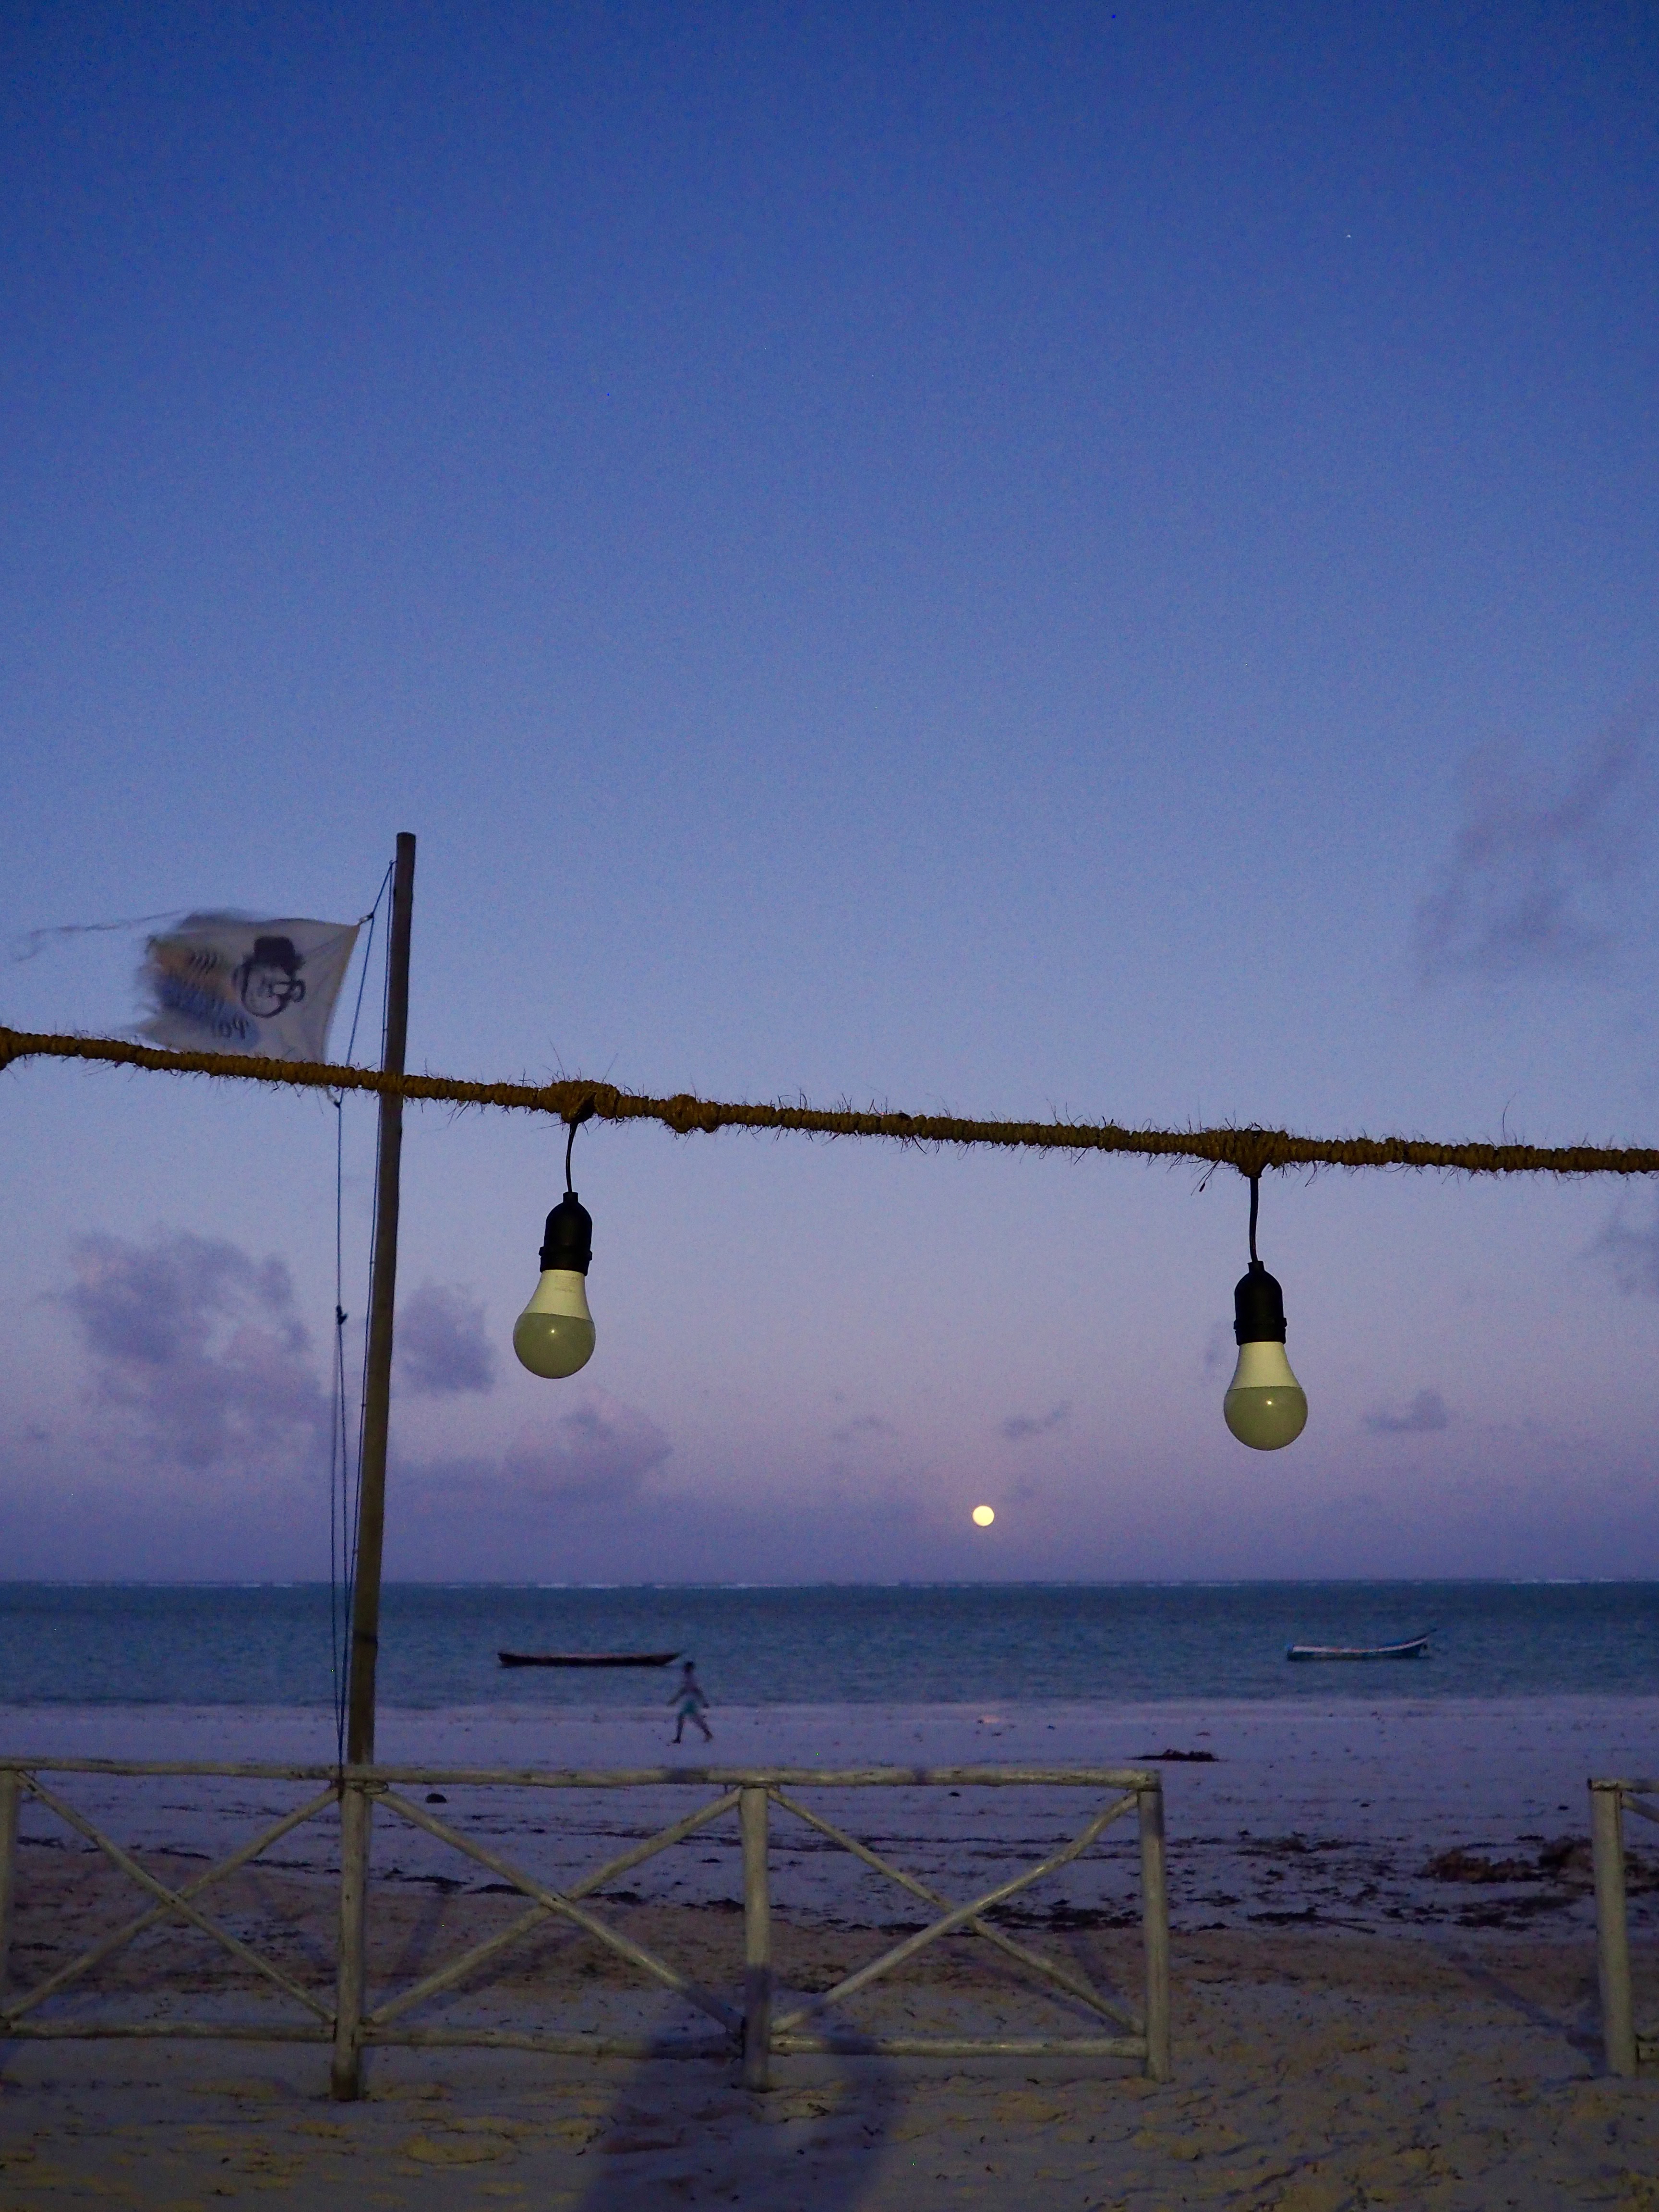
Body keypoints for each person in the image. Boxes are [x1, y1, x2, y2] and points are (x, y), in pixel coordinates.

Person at [670, 1659, 712, 1744]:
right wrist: (703, 1701)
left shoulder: (690, 1678)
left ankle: (678, 1738)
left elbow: (692, 1690)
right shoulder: (688, 1677)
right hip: (691, 1701)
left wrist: (675, 1699)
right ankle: (708, 1734)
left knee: (682, 1717)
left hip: (690, 1702)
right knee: (696, 1719)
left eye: (686, 1667)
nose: (684, 1669)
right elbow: (691, 1690)